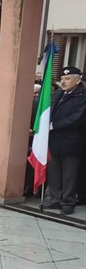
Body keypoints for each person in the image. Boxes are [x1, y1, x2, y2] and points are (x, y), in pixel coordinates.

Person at [43, 66, 86, 215]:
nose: (64, 81)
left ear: (77, 80)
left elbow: (77, 118)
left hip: (72, 141)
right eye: (62, 79)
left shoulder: (83, 96)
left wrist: (54, 125)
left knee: (69, 174)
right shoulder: (58, 94)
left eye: (67, 78)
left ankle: (68, 202)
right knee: (54, 172)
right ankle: (55, 199)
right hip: (55, 139)